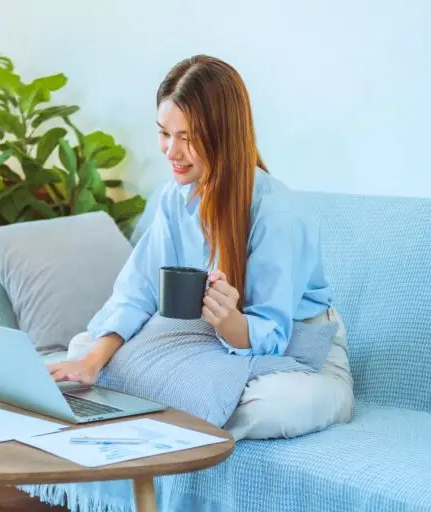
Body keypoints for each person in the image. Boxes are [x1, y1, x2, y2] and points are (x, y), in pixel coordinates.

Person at [47, 56, 353, 436]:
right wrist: (91, 362)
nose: (171, 151)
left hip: (298, 348)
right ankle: (187, 400)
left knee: (274, 405)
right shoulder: (175, 198)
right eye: (164, 133)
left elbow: (273, 334)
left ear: (223, 136)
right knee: (83, 350)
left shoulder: (279, 214)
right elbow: (138, 291)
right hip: (208, 341)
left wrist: (231, 323)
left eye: (187, 138)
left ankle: (181, 400)